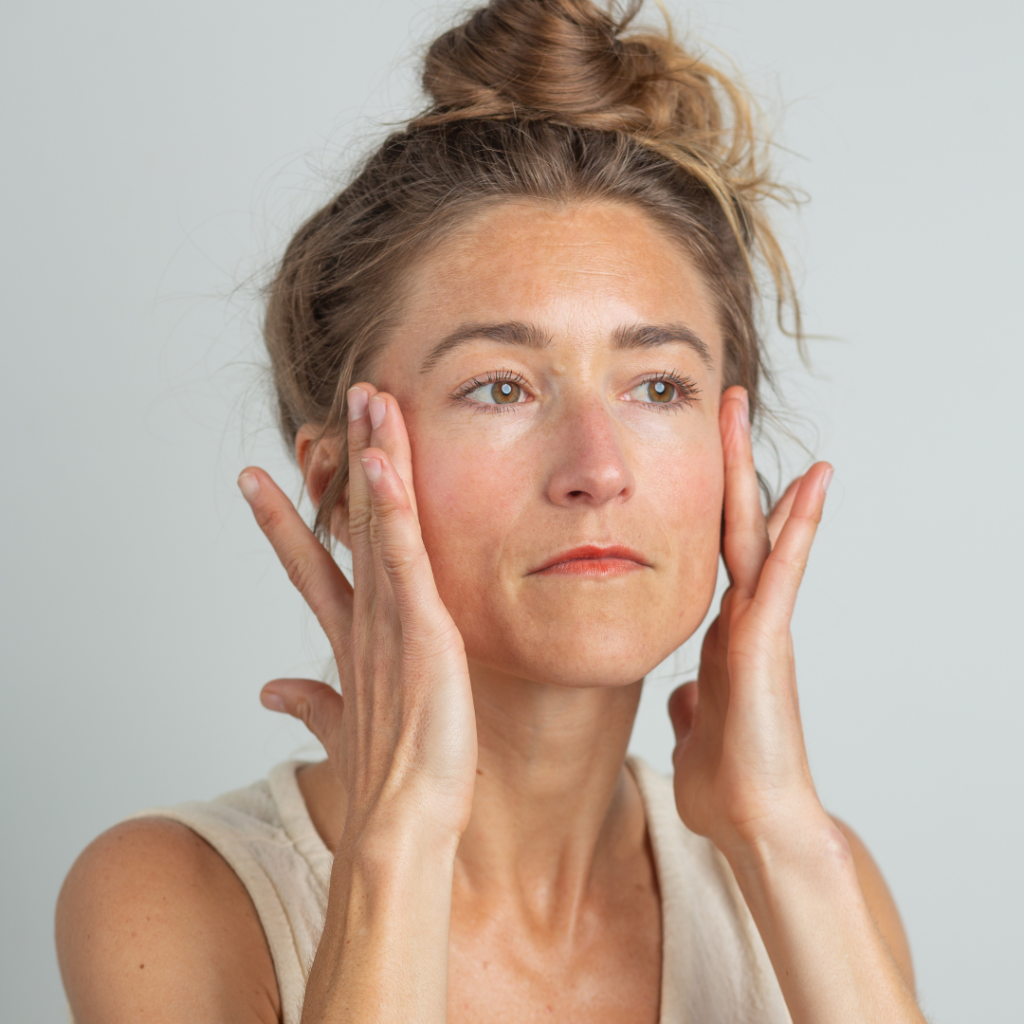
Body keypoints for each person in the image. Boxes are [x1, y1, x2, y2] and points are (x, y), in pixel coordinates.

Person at [55, 1, 925, 1022]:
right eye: (500, 386)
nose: (596, 470)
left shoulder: (810, 877)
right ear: (338, 480)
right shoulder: (173, 895)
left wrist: (782, 837)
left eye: (657, 388)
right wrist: (400, 845)